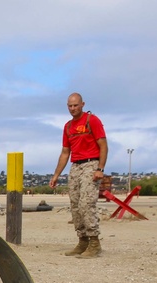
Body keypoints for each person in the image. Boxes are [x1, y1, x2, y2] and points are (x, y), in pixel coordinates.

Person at [49, 92, 109, 258]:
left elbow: (103, 145)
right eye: (70, 106)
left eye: (76, 105)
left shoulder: (92, 121)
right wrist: (56, 175)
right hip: (76, 166)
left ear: (82, 104)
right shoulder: (68, 126)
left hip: (91, 164)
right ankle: (82, 241)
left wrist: (100, 169)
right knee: (75, 204)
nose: (73, 108)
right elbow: (65, 152)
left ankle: (94, 242)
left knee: (86, 203)